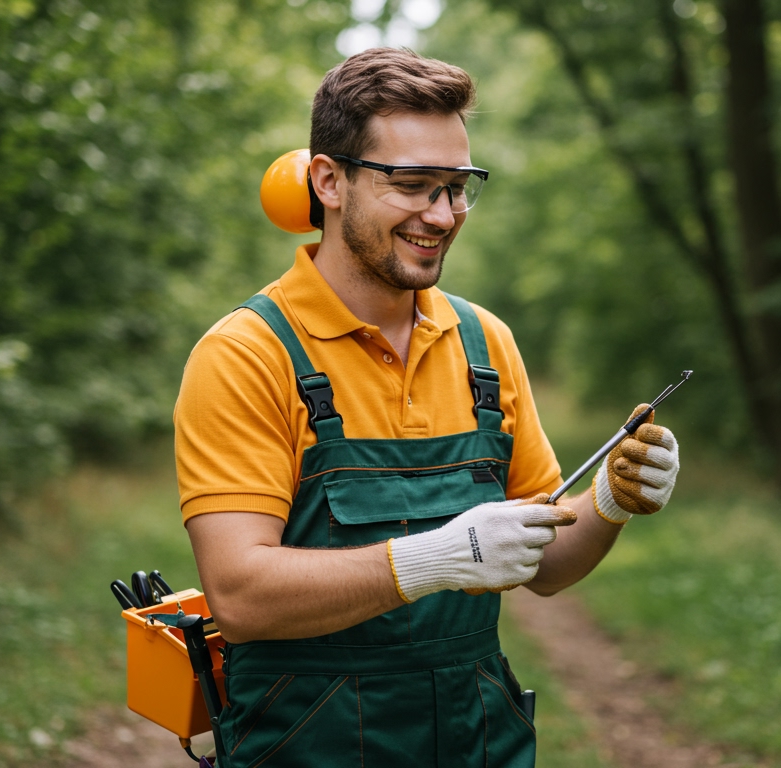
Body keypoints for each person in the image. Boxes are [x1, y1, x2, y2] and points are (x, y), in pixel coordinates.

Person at [175, 47, 680, 768]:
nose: (442, 215)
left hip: (478, 742)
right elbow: (241, 596)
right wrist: (436, 559)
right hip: (307, 748)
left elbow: (547, 565)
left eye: (458, 187)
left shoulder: (485, 344)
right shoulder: (247, 354)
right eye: (412, 185)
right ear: (330, 181)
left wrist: (611, 500)